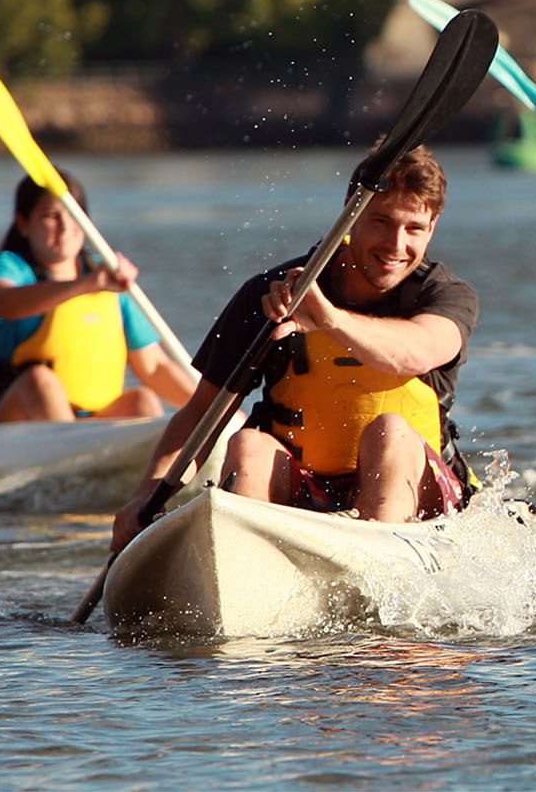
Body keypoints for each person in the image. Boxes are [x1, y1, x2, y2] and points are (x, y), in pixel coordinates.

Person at [110, 145, 478, 552]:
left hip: (410, 504)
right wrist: (146, 497)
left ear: (433, 227)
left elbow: (418, 352)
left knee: (389, 432)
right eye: (381, 221)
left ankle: (377, 567)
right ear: (350, 212)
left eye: (414, 229)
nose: (396, 244)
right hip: (307, 489)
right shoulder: (267, 295)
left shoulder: (446, 295)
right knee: (248, 446)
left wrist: (329, 320)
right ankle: (246, 573)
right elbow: (203, 413)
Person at [0, 173, 196, 425]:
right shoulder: (10, 268)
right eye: (51, 216)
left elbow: (154, 368)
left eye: (73, 214)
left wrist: (214, 413)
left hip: (88, 421)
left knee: (142, 401)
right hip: (14, 420)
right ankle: (72, 455)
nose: (65, 226)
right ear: (23, 223)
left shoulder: (106, 277)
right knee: (39, 380)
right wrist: (87, 284)